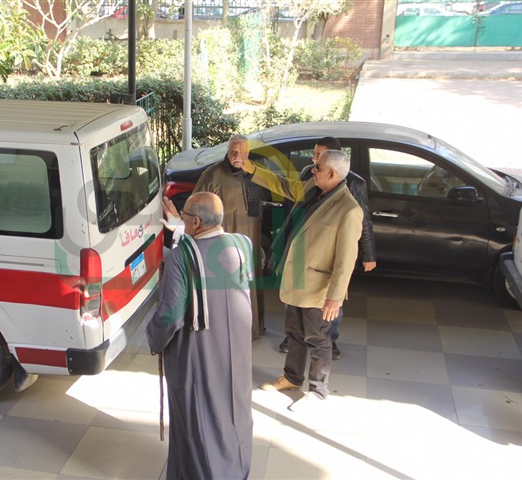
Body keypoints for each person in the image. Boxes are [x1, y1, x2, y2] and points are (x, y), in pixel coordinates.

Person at [148, 192, 253, 480]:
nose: (181, 217)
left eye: (184, 215)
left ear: (195, 221)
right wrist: (181, 230)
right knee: (235, 412)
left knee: (198, 419)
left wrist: (153, 338)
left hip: (198, 352)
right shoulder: (243, 244)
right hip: (236, 354)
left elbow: (170, 316)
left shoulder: (183, 256)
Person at [243, 150, 362, 403]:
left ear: (332, 173)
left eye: (317, 167)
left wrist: (335, 298)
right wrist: (252, 169)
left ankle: (318, 391)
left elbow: (346, 260)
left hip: (319, 289)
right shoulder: (313, 187)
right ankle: (292, 378)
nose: (313, 169)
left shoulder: (349, 210)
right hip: (297, 279)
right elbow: (284, 185)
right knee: (294, 333)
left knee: (318, 340)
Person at [278, 136, 377, 359]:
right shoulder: (310, 176)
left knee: (329, 310)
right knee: (295, 308)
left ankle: (329, 341)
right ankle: (293, 348)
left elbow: (362, 221)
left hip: (325, 264)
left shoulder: (353, 186)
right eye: (314, 155)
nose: (313, 163)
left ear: (332, 164)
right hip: (303, 253)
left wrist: (369, 254)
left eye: (318, 157)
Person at [192, 134, 267, 340]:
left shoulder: (257, 172)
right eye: (234, 151)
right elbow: (196, 205)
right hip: (225, 240)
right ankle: (229, 332)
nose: (237, 156)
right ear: (227, 151)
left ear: (248, 152)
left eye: (242, 152)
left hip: (250, 235)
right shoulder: (213, 175)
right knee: (228, 284)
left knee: (251, 279)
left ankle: (253, 328)